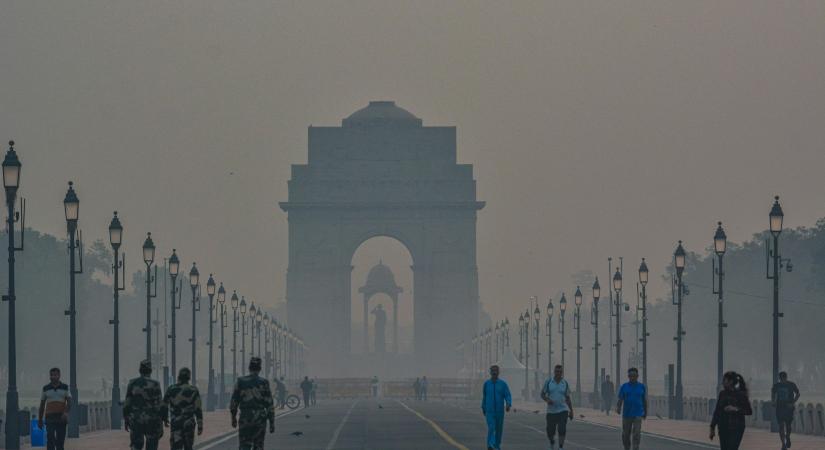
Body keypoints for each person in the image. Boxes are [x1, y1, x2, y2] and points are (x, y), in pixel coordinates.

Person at [230, 357, 275, 450]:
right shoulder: (264, 382)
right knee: (258, 446)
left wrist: (233, 418)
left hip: (245, 418)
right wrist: (272, 422)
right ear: (260, 369)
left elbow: (234, 402)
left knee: (244, 446)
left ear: (249, 368)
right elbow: (269, 404)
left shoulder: (240, 381)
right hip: (260, 419)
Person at [123, 360, 166, 450]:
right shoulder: (155, 384)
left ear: (140, 370)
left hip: (136, 420)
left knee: (136, 446)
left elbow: (127, 404)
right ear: (150, 371)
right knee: (151, 446)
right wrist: (162, 423)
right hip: (152, 421)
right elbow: (160, 405)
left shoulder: (132, 383)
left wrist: (126, 420)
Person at [163, 367, 203, 450]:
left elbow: (164, 405)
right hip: (189, 424)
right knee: (188, 447)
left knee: (175, 447)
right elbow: (198, 409)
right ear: (189, 377)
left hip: (176, 424)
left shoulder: (171, 389)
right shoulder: (194, 390)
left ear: (179, 377)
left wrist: (165, 419)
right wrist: (200, 425)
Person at [710, 371, 752, 450]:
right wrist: (712, 427)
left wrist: (735, 409)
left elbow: (749, 411)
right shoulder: (722, 394)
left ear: (731, 381)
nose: (722, 383)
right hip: (723, 427)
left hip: (736, 428)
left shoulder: (741, 394)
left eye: (724, 380)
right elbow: (717, 411)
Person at [541, 365, 574, 450]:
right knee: (550, 431)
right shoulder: (549, 382)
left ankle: (560, 447)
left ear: (562, 373)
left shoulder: (565, 383)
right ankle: (552, 441)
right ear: (554, 372)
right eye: (556, 371)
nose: (558, 373)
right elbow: (542, 394)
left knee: (562, 429)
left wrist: (571, 410)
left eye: (560, 372)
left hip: (562, 410)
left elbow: (567, 398)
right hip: (551, 411)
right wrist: (547, 400)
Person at [38, 368, 71, 450]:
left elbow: (70, 402)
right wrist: (40, 420)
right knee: (50, 437)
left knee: (60, 441)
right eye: (51, 375)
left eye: (55, 375)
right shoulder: (46, 388)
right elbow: (42, 405)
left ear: (59, 376)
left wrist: (66, 413)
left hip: (61, 417)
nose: (53, 377)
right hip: (50, 417)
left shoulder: (65, 387)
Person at [481, 365, 512, 450]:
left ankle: (497, 446)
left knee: (499, 430)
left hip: (499, 411)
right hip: (489, 411)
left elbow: (507, 395)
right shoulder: (487, 384)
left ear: (498, 372)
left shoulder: (502, 384)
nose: (494, 372)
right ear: (490, 372)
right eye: (493, 371)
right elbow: (484, 396)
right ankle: (490, 445)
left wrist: (508, 404)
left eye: (496, 371)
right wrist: (483, 407)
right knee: (491, 427)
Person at [617, 368, 648, 450]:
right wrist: (618, 407)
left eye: (634, 376)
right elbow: (620, 399)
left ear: (637, 376)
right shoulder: (624, 386)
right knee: (626, 434)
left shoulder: (642, 387)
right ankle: (627, 447)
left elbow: (644, 400)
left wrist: (645, 411)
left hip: (638, 414)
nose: (632, 377)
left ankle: (635, 447)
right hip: (627, 414)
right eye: (630, 376)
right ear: (628, 376)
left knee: (636, 433)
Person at [772, 371, 800, 450]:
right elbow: (773, 394)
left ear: (786, 377)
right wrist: (773, 401)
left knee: (788, 426)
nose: (782, 380)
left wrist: (792, 403)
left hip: (789, 409)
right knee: (781, 426)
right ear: (779, 378)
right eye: (781, 378)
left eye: (784, 378)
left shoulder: (791, 385)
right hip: (779, 409)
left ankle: (787, 437)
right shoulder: (776, 386)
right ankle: (783, 444)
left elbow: (798, 394)